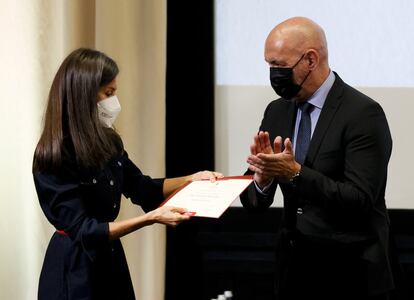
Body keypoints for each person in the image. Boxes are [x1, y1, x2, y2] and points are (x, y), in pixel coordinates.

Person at [32, 48, 223, 300]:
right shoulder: (53, 156)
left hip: (110, 261)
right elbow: (85, 231)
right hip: (74, 268)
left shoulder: (108, 142)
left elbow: (142, 188)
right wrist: (150, 219)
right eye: (108, 93)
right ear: (83, 96)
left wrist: (191, 179)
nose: (115, 102)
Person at [240, 17, 394, 300]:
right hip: (293, 273)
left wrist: (295, 173)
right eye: (268, 65)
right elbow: (253, 202)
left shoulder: (363, 114)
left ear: (310, 59)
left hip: (349, 274)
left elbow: (359, 200)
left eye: (279, 66)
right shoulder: (277, 111)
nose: (273, 74)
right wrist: (261, 180)